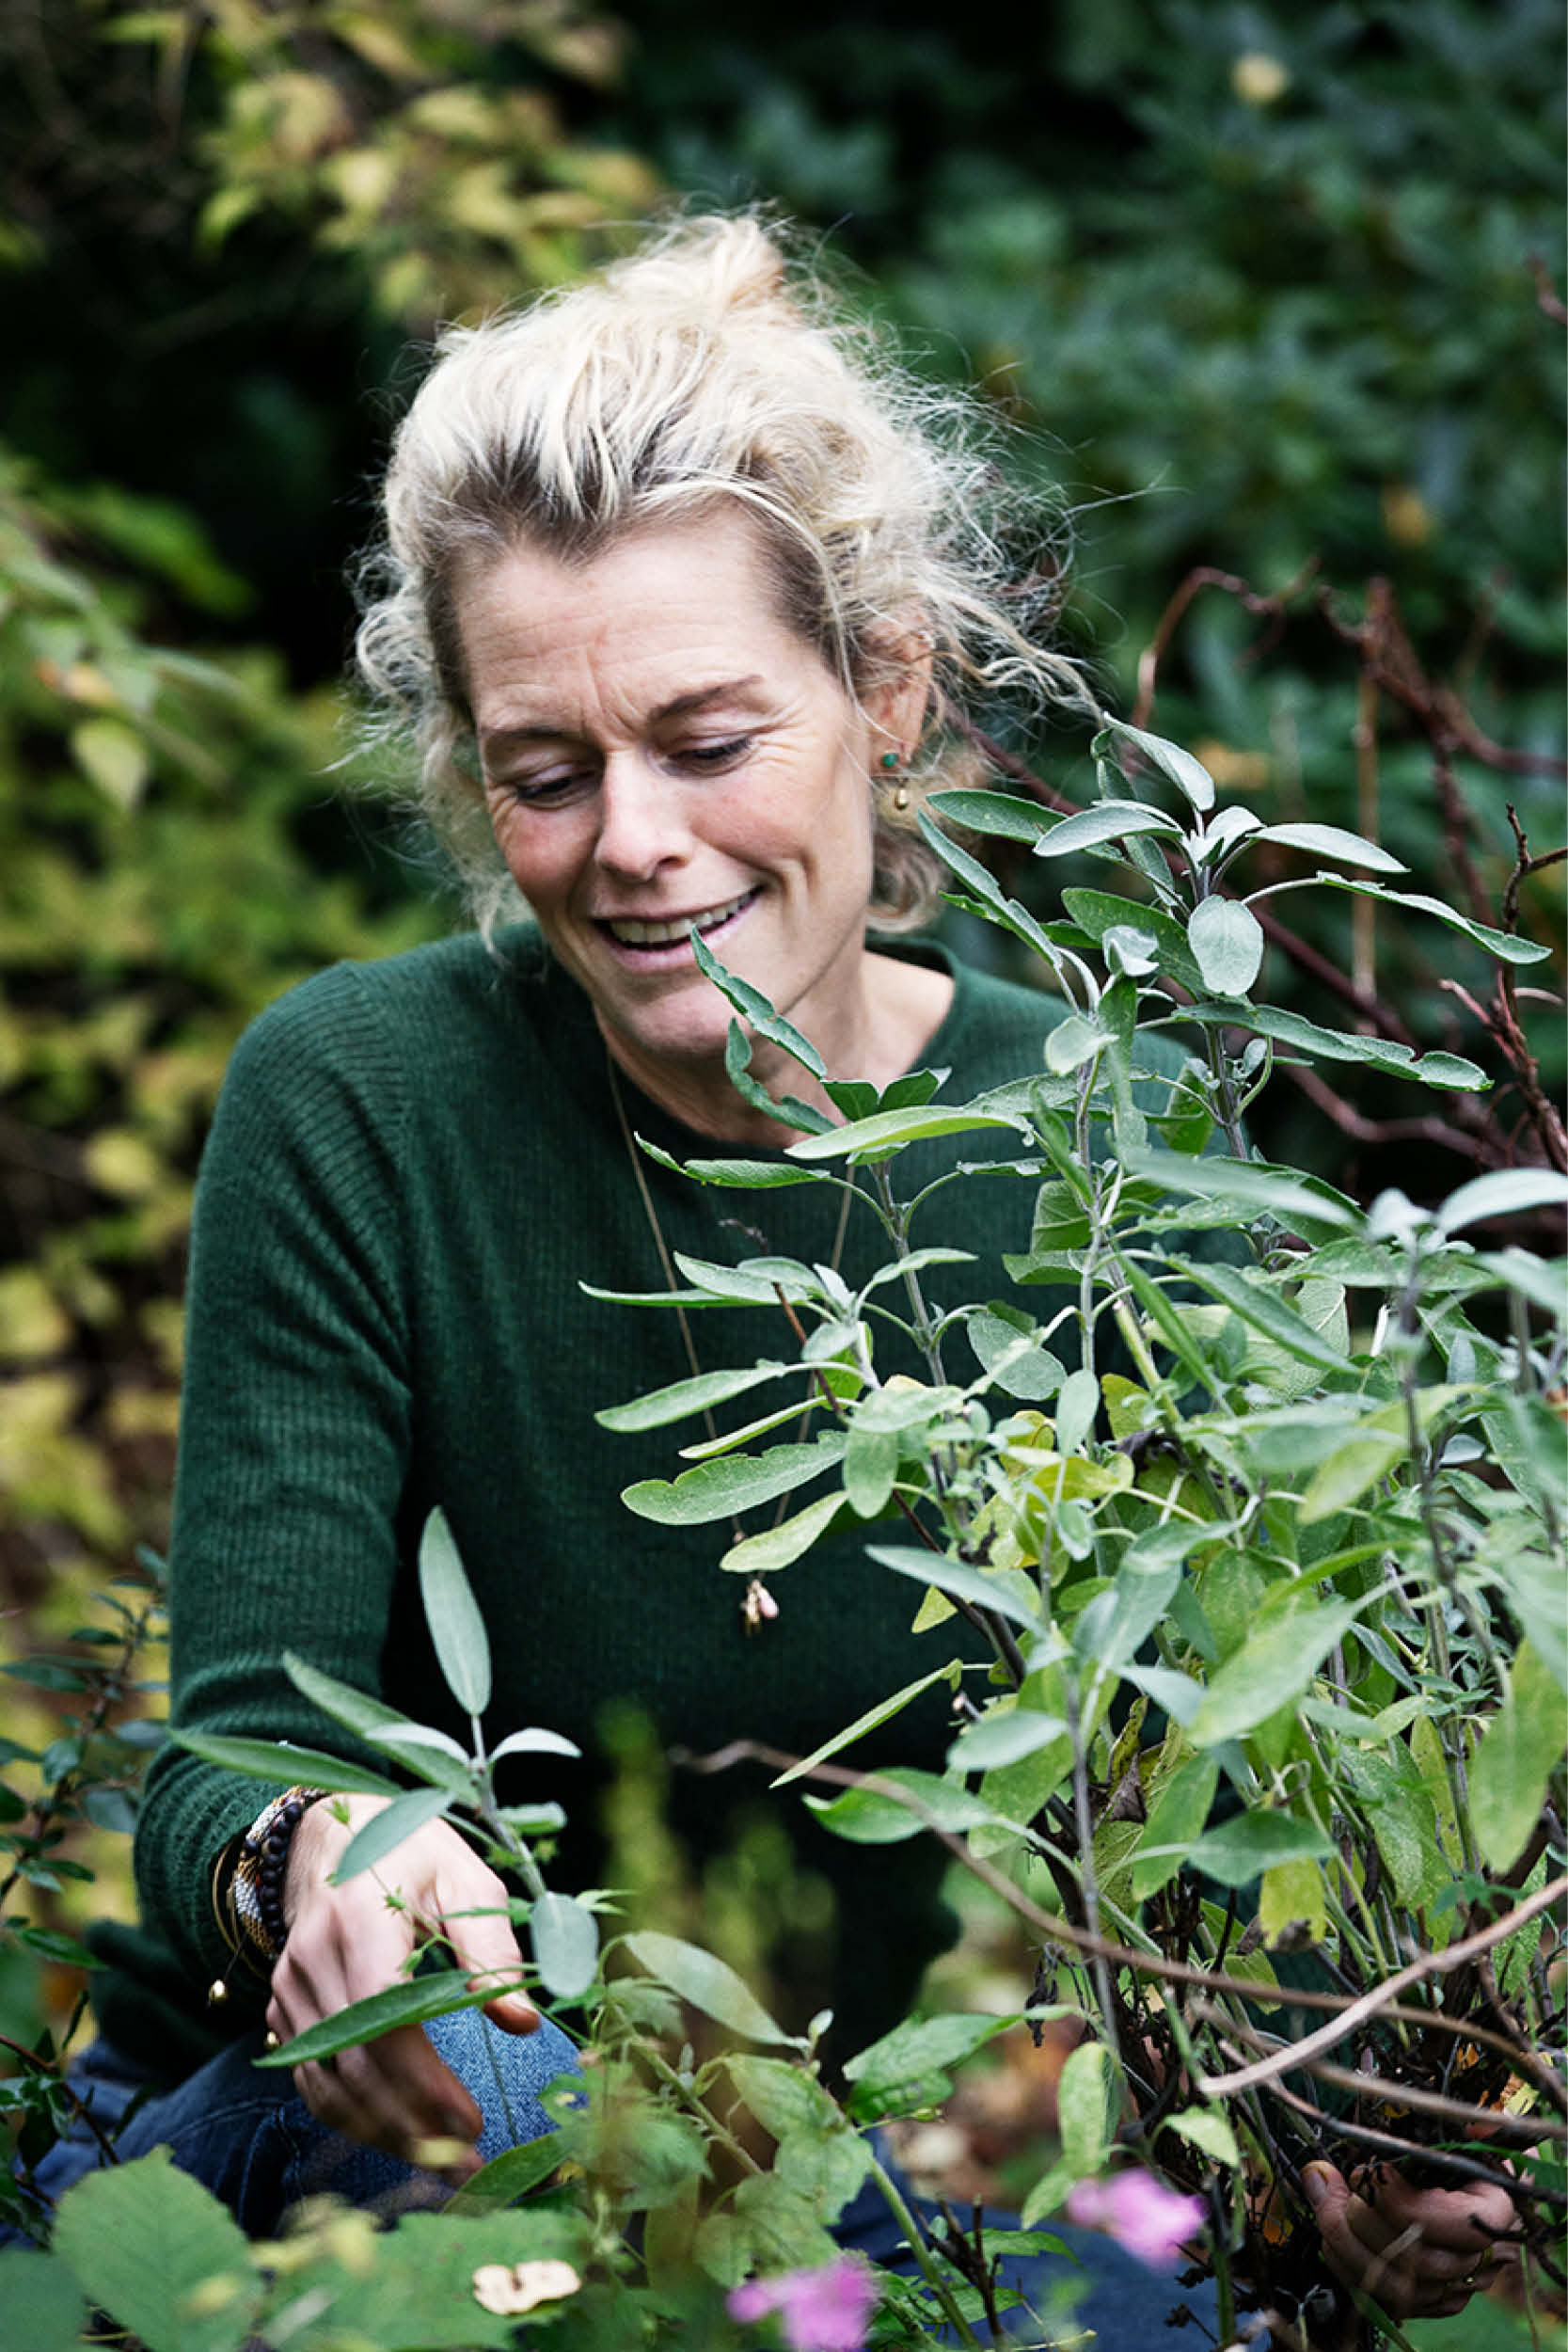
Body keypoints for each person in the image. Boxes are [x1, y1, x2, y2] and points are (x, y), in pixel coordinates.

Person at [12, 215, 1513, 2338]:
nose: (631, 839)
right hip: (396, 2142)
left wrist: (1352, 2163)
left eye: (707, 742)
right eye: (546, 773)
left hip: (924, 2199)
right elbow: (232, 1747)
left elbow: (1235, 1843)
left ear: (881, 691)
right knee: (546, 2086)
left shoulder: (1107, 1151)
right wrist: (320, 1857)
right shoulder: (364, 1100)